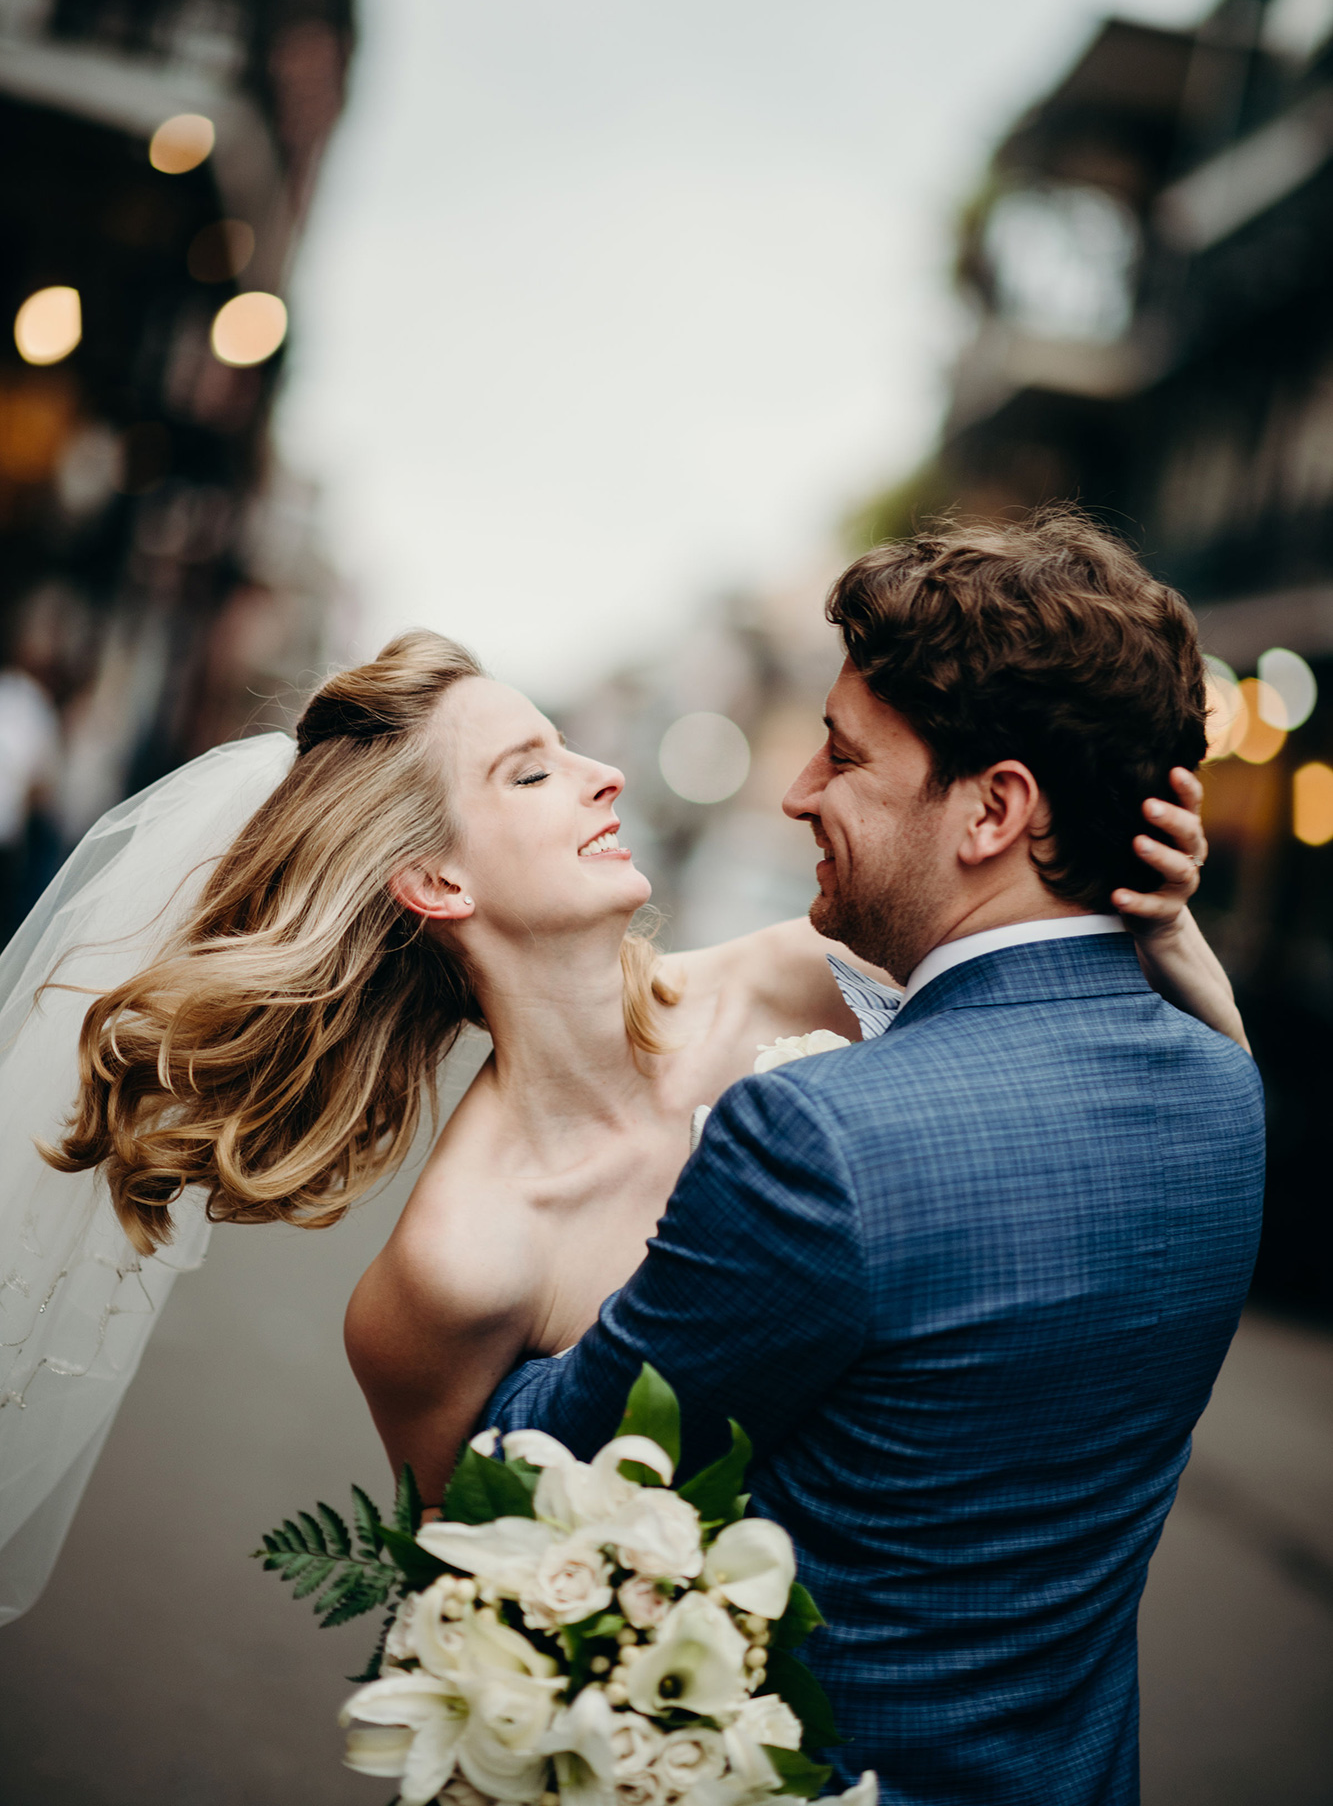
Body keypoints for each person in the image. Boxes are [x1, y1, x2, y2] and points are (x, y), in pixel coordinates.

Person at [8, 514, 1236, 1626]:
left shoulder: (801, 973)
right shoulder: (452, 1265)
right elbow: (493, 1617)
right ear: (440, 881)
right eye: (530, 770)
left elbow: (1103, 1110)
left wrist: (1154, 929)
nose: (602, 772)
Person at [481, 514, 1266, 1806]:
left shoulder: (820, 1143)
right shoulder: (1223, 1097)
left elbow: (551, 1469)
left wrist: (485, 1248)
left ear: (995, 809)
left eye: (843, 757)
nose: (796, 793)